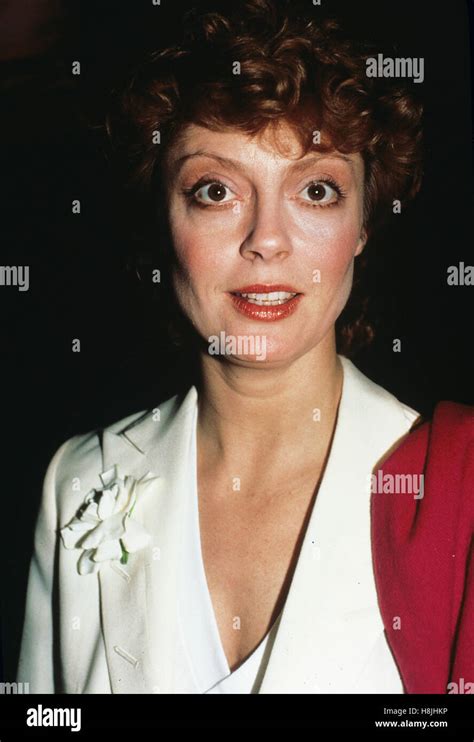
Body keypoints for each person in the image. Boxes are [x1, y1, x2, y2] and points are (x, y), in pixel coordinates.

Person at [17, 0, 472, 694]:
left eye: (317, 190)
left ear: (365, 224)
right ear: (162, 218)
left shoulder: (455, 487)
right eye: (215, 190)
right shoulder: (78, 481)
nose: (267, 238)